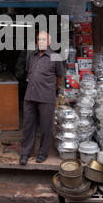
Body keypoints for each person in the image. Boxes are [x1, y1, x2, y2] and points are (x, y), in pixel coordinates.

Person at [20, 31, 65, 165]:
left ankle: (42, 153)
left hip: (46, 97)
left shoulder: (55, 57)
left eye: (44, 40)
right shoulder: (32, 56)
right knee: (28, 125)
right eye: (39, 39)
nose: (41, 42)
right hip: (30, 96)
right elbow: (28, 73)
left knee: (46, 127)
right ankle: (25, 153)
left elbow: (60, 77)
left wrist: (52, 89)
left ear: (49, 42)